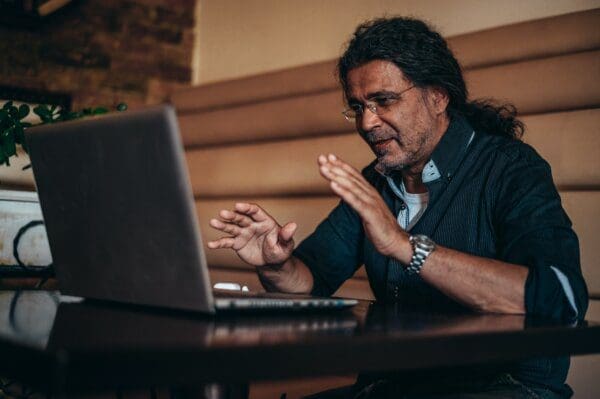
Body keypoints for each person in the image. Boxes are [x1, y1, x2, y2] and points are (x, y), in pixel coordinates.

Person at [208, 17, 588, 398]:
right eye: (357, 107)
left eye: (384, 101)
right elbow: (310, 282)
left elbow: (561, 299)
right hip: (397, 384)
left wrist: (403, 245)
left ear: (438, 96)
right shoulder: (376, 180)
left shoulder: (511, 167)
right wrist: (277, 263)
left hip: (502, 388)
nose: (367, 122)